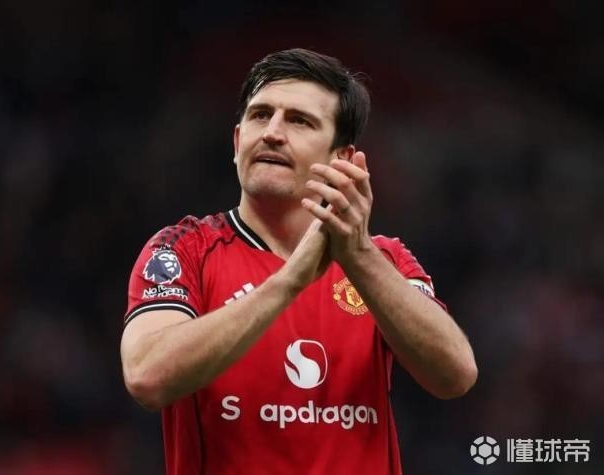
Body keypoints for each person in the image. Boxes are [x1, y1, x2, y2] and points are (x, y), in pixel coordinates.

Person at [120, 48, 477, 474]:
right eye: (260, 115)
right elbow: (146, 376)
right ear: (236, 142)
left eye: (299, 121)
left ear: (342, 160)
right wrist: (289, 280)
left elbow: (455, 376)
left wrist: (359, 255)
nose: (272, 133)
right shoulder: (183, 249)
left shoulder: (384, 261)